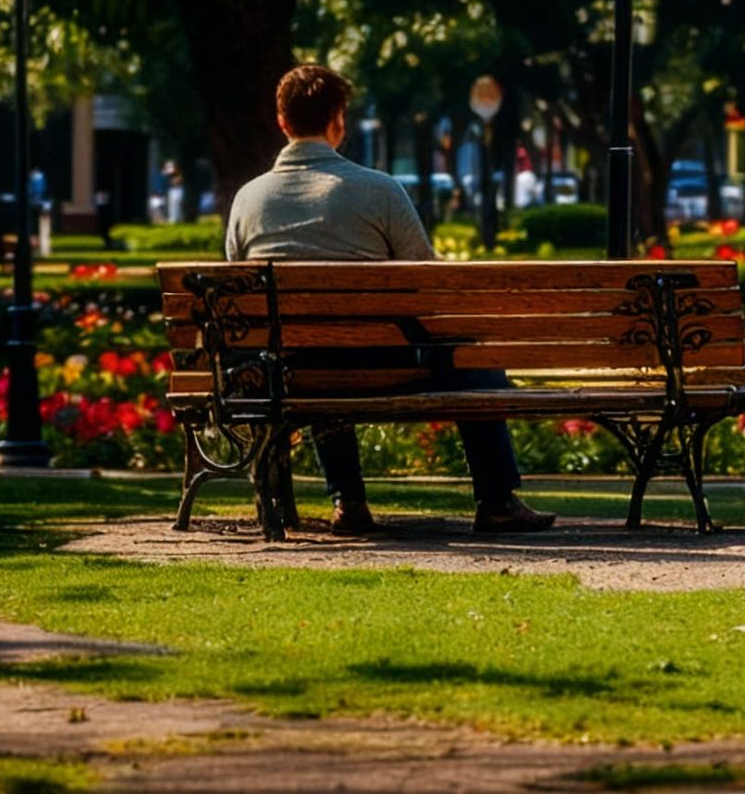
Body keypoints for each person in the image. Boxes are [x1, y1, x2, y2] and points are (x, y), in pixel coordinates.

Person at [226, 64, 555, 540]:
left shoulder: (247, 199)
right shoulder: (379, 190)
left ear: (282, 122)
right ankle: (497, 500)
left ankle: (349, 501)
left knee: (312, 349)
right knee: (475, 360)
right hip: (385, 362)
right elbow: (425, 284)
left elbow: (239, 288)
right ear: (338, 119)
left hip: (290, 370)